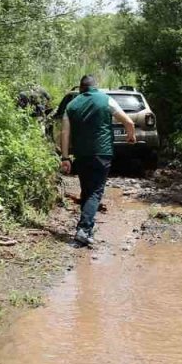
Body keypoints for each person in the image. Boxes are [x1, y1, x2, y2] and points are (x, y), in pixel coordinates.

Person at [59, 75, 135, 247]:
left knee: (86, 191)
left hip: (81, 155)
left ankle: (85, 229)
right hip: (102, 153)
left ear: (80, 88)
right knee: (95, 192)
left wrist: (65, 158)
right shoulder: (105, 99)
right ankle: (84, 230)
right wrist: (131, 136)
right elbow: (129, 122)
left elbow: (64, 133)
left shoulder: (71, 105)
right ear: (96, 87)